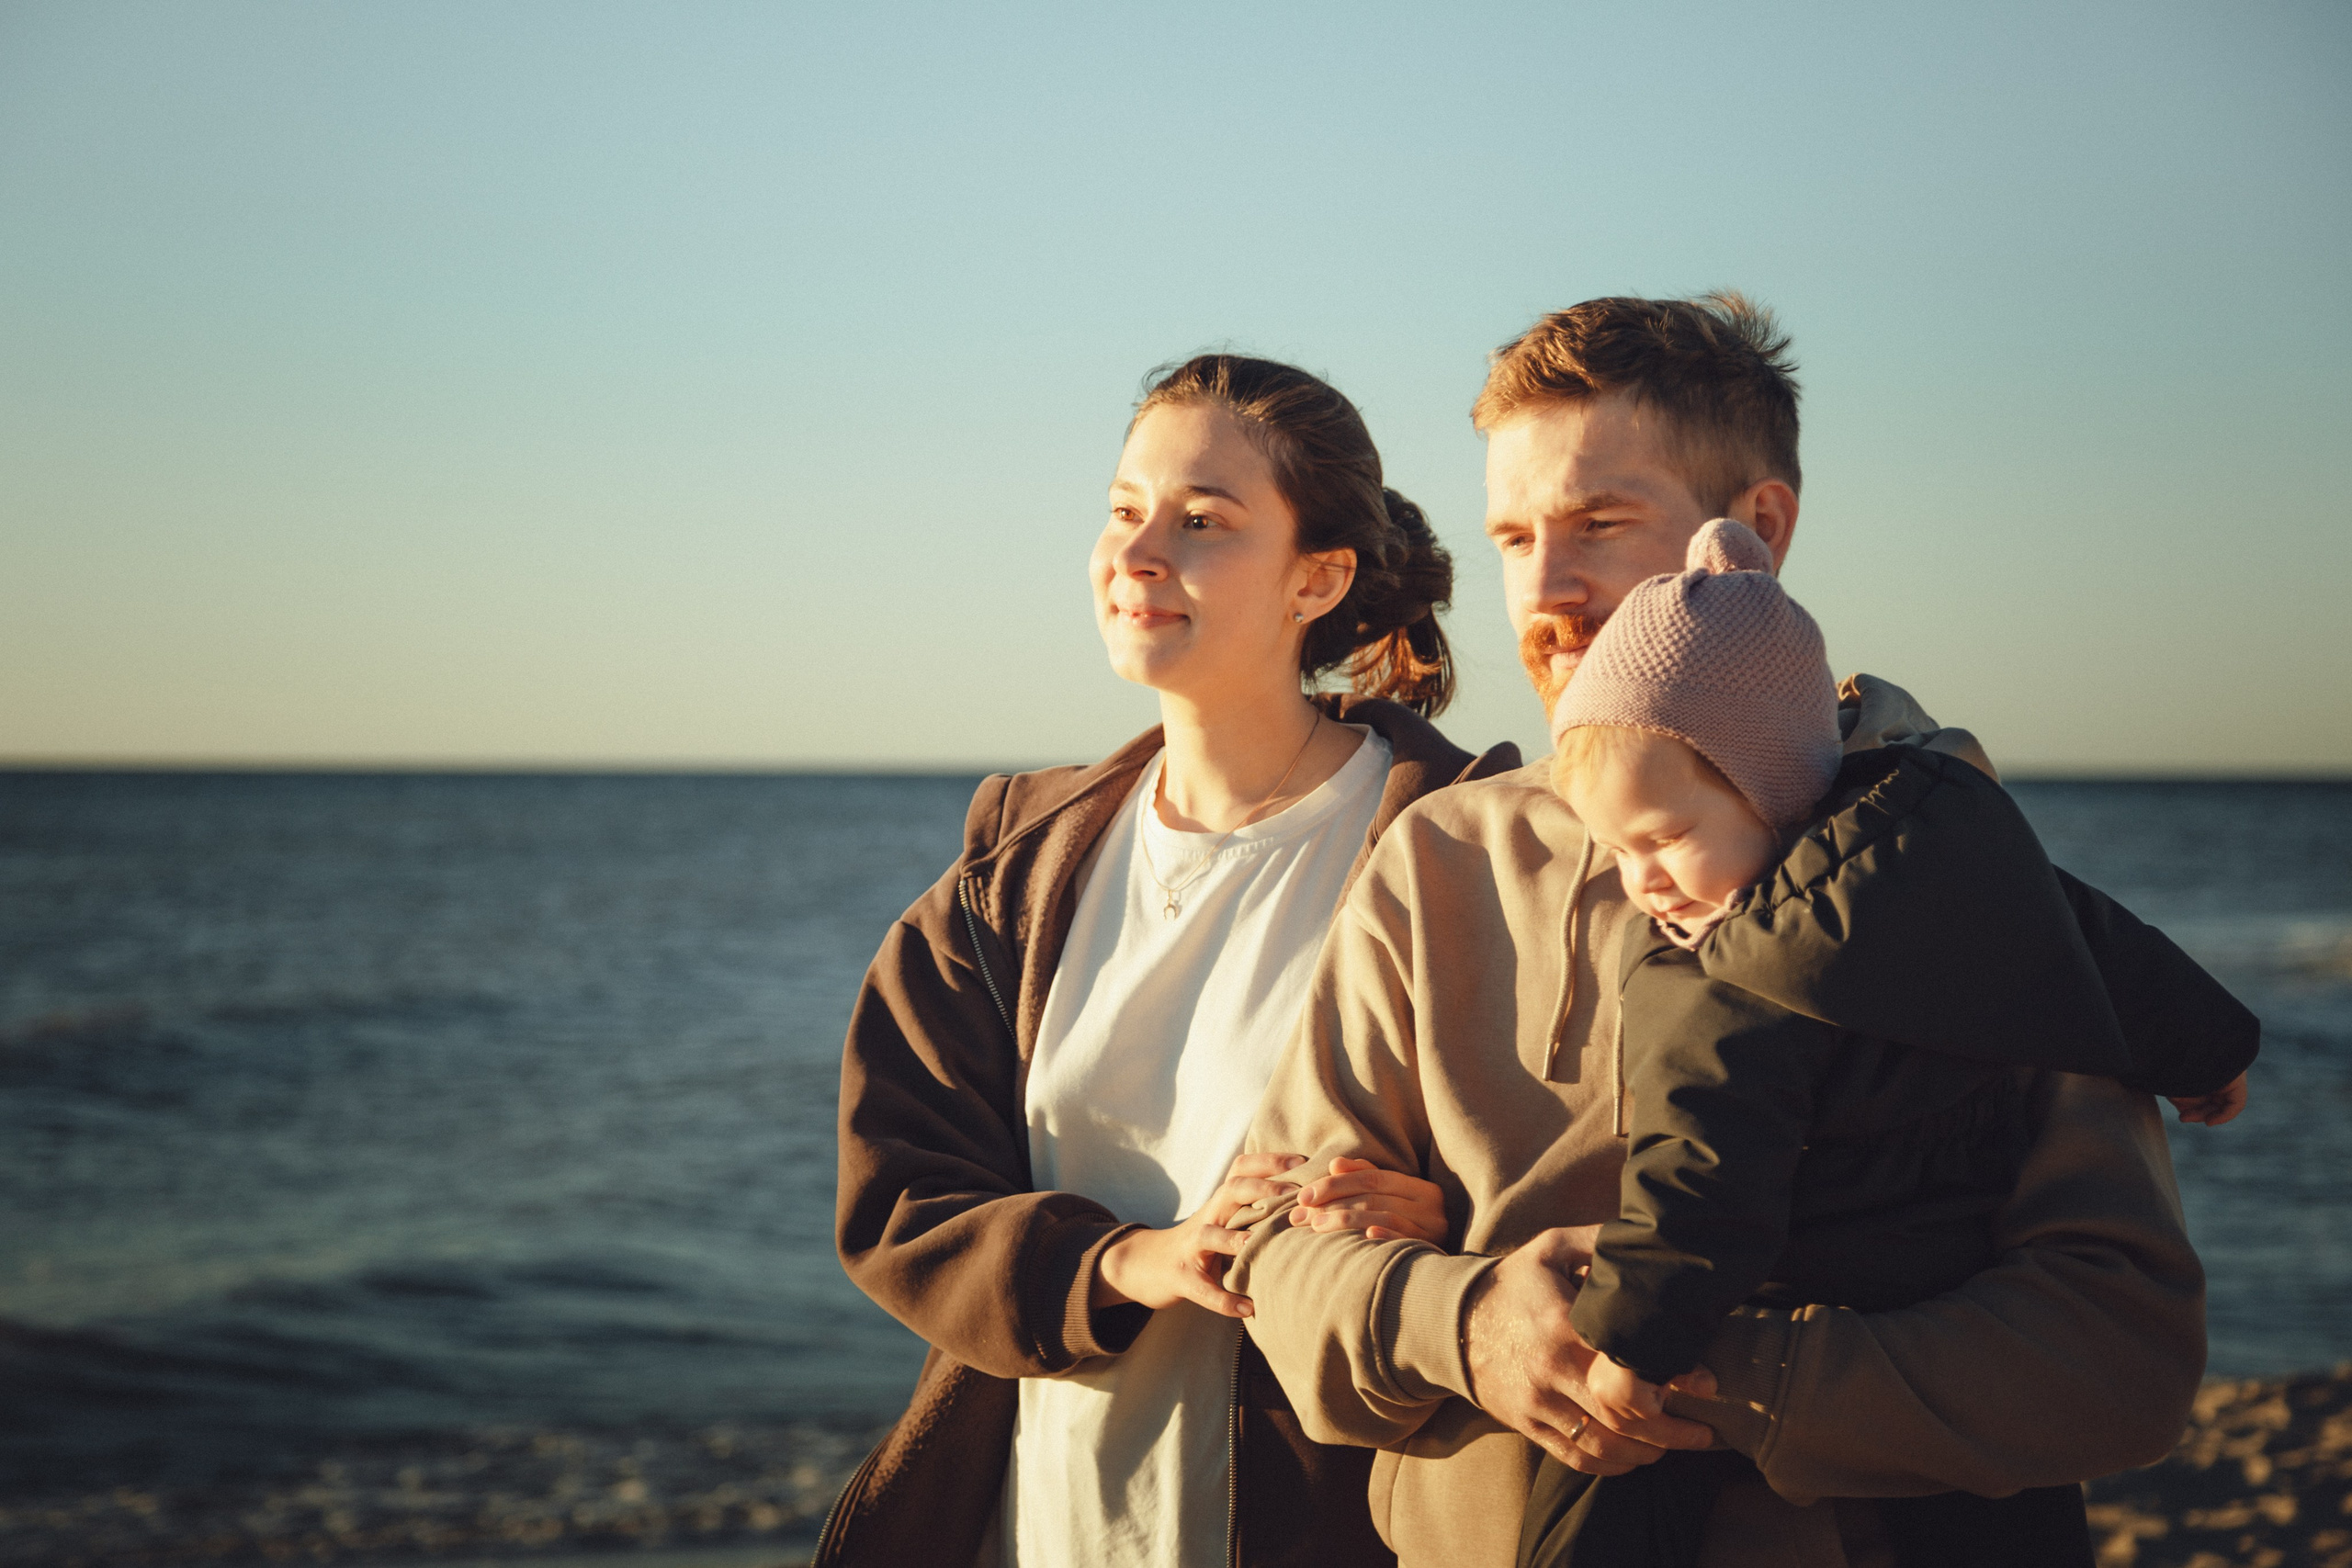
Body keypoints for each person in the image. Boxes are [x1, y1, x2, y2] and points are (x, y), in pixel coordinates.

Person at [1227, 293, 2220, 1567]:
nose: (1544, 587)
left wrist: (1696, 1371)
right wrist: (1466, 1322)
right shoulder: (1440, 858)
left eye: (1599, 523)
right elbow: (1273, 1266)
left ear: (1760, 529)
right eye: (1514, 536)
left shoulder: (1953, 862)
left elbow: (2121, 1354)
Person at [820, 354, 1521, 1568]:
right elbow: (901, 1197)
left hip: (1334, 1526)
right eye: (1124, 509)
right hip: (1041, 1523)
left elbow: (1582, 1178)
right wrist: (1128, 1259)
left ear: (1317, 577)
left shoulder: (1459, 845)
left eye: (1202, 522)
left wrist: (1451, 1219)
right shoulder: (1017, 867)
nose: (1137, 553)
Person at [1516, 515, 2258, 1568]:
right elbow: (2086, 936)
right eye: (1614, 852)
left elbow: (1699, 1177)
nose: (1643, 884)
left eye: (1665, 839)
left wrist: (1630, 1343)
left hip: (1804, 1292)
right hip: (1956, 1277)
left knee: (1586, 1510)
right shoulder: (1950, 839)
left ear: (1769, 782)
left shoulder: (1725, 974)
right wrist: (2204, 1048)